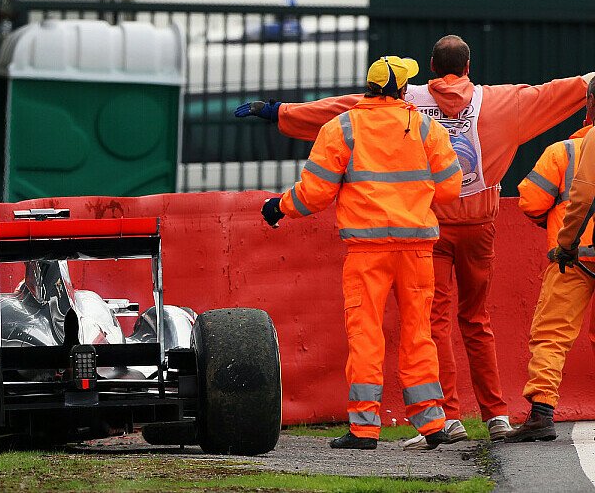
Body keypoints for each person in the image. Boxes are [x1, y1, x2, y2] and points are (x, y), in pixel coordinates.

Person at [235, 35, 594, 447]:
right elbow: (554, 93)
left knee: (410, 326)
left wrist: (278, 113)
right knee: (466, 323)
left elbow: (333, 117)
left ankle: (424, 421)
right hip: (452, 233)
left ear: (429, 68)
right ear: (468, 67)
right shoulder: (489, 107)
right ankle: (480, 416)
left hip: (398, 239)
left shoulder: (371, 118)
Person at [263, 55, 462, 450]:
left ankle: (365, 428)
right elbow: (450, 189)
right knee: (419, 332)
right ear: (402, 90)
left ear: (369, 88)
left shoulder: (342, 127)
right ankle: (432, 422)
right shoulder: (427, 128)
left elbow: (315, 193)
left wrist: (279, 206)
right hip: (416, 249)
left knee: (366, 334)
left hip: (367, 251)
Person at [507, 79, 595, 442]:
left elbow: (531, 201)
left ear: (589, 106)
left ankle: (542, 413)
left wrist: (563, 233)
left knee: (552, 335)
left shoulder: (563, 153)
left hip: (572, 259)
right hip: (573, 256)